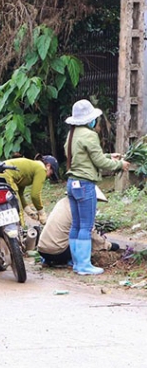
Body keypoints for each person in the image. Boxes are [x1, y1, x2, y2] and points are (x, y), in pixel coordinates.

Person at [64, 99, 129, 275]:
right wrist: (119, 165)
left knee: (76, 225)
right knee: (86, 226)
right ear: (89, 119)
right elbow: (99, 161)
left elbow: (86, 156)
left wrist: (110, 155)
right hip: (85, 184)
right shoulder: (89, 134)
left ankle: (76, 262)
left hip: (72, 184)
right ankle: (84, 265)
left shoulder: (72, 134)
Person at [38, 186, 119, 267]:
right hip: (58, 252)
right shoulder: (82, 208)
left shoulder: (62, 202)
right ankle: (78, 263)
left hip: (42, 250)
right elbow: (91, 234)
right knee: (84, 241)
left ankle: (51, 261)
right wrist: (109, 246)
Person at [0, 155, 59, 225]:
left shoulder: (30, 169)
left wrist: (29, 211)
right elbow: (35, 195)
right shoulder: (42, 169)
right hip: (7, 175)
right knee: (18, 210)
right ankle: (21, 231)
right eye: (51, 173)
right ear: (48, 166)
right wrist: (41, 213)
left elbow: (20, 194)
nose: (49, 177)